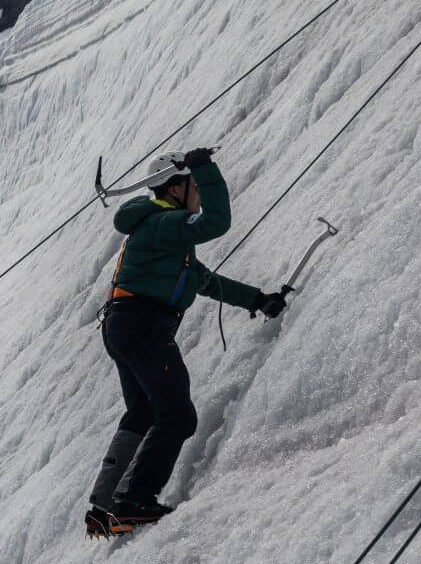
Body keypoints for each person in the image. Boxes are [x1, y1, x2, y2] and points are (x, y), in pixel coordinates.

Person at [87, 147, 288, 538]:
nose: (197, 191)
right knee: (177, 415)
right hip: (144, 327)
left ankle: (104, 505)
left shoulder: (160, 235)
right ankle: (132, 501)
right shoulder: (165, 224)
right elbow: (216, 222)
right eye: (193, 186)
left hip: (123, 326)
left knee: (143, 413)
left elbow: (205, 281)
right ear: (174, 188)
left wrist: (258, 300)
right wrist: (205, 165)